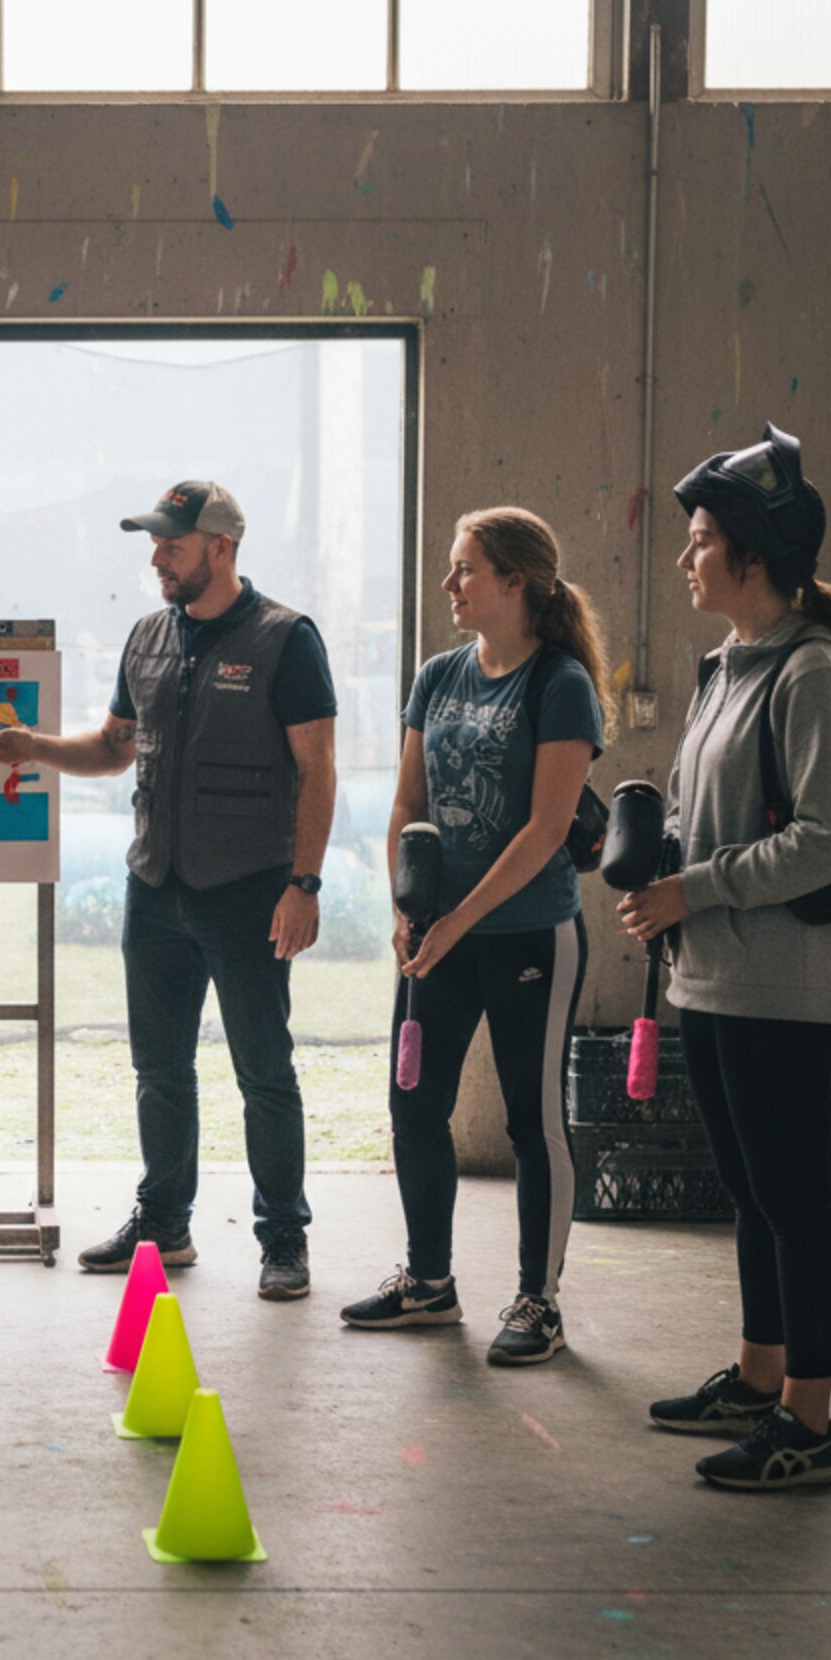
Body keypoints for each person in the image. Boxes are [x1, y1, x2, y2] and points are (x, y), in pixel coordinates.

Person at [0, 480, 337, 1299]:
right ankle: (165, 1224)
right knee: (159, 1071)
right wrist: (33, 747)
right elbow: (113, 748)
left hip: (248, 892)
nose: (158, 556)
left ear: (222, 548)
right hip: (155, 890)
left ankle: (283, 1239)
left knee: (264, 1071)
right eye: (155, 543)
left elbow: (317, 771)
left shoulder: (287, 640)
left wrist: (304, 885)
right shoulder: (146, 638)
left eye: (173, 542)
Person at [620, 425, 831, 1490]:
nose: (683, 559)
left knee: (790, 1197)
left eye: (697, 540)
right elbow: (703, 808)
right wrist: (649, 864)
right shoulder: (725, 667)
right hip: (715, 971)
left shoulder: (813, 675)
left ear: (751, 556)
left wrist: (698, 884)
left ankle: (809, 1428)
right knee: (747, 1189)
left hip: (783, 981)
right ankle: (757, 1375)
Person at [340, 507, 608, 1364]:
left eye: (465, 569)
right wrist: (404, 907)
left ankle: (539, 1303)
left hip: (530, 934)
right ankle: (428, 1284)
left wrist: (459, 919)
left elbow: (543, 830)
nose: (450, 584)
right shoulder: (439, 675)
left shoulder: (559, 684)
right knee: (414, 1105)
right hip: (437, 938)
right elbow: (407, 805)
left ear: (514, 582)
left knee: (534, 1124)